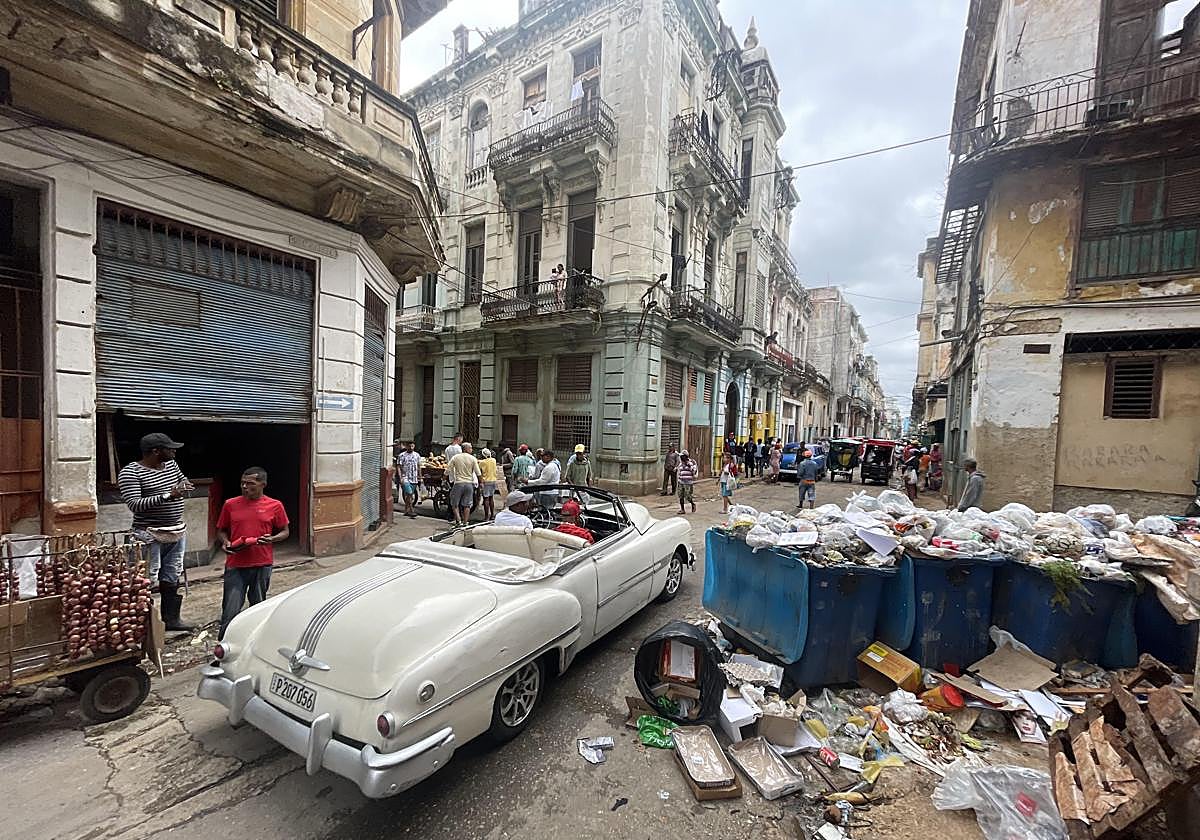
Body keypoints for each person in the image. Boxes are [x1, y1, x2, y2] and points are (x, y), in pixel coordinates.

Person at [118, 432, 194, 632]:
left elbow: (181, 480)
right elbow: (135, 504)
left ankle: (171, 620)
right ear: (156, 451)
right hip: (147, 533)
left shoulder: (171, 465)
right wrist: (169, 495)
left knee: (172, 575)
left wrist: (184, 486)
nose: (174, 451)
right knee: (145, 580)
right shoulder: (131, 472)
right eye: (170, 448)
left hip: (176, 530)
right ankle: (143, 625)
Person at [216, 467, 289, 640]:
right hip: (236, 564)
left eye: (250, 484)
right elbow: (221, 530)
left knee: (258, 607)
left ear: (263, 484)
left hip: (262, 563)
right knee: (230, 610)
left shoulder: (275, 505)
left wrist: (272, 539)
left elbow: (285, 531)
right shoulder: (230, 504)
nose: (244, 487)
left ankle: (256, 641)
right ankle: (224, 645)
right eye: (242, 483)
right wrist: (225, 542)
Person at [447, 442, 480, 526]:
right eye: (470, 448)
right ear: (466, 449)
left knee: (454, 503)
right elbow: (478, 473)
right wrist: (481, 483)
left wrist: (444, 478)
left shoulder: (455, 458)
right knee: (467, 505)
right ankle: (465, 522)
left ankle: (458, 520)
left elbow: (448, 470)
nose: (472, 449)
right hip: (469, 484)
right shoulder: (473, 459)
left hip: (458, 483)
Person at [397, 440, 420, 518]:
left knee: (409, 495)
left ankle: (406, 510)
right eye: (409, 446)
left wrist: (420, 476)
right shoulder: (402, 455)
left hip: (414, 478)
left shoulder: (417, 455)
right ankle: (411, 510)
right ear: (406, 446)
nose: (411, 447)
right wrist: (400, 478)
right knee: (409, 493)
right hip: (405, 477)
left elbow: (419, 466)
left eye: (412, 446)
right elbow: (399, 467)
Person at [478, 448, 499, 520]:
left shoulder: (482, 462)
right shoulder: (494, 460)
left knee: (486, 499)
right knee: (491, 498)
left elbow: (479, 471)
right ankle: (492, 514)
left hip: (486, 481)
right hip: (493, 480)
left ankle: (486, 516)